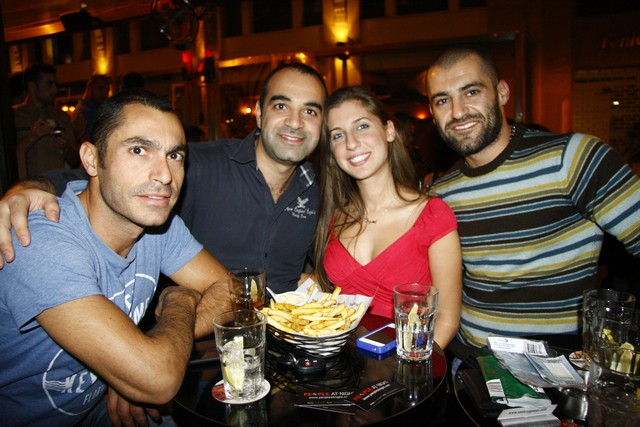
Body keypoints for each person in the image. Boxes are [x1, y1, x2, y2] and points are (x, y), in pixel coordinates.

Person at [0, 89, 230, 426]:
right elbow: (158, 380)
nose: (165, 175)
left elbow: (233, 291)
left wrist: (139, 355)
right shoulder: (39, 239)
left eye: (174, 155)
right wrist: (180, 301)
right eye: (139, 150)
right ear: (92, 159)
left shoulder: (157, 225)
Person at [0, 63, 326, 292]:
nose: (295, 122)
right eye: (281, 106)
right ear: (259, 113)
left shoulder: (321, 188)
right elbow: (103, 176)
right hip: (203, 347)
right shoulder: (199, 165)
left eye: (310, 111)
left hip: (294, 340)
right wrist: (29, 188)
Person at [424, 45, 640, 356]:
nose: (458, 112)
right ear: (432, 112)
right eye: (443, 100)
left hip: (558, 363)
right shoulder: (442, 193)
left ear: (501, 92)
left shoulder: (571, 158)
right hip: (471, 360)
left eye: (471, 92)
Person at [313, 86, 462, 349]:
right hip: (340, 364)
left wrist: (409, 366)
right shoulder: (334, 217)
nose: (351, 143)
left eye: (362, 127)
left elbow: (447, 320)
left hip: (409, 363)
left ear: (389, 131)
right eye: (338, 135)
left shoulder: (432, 215)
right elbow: (333, 295)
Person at [13, 63, 79, 179]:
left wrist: (66, 147)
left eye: (56, 85)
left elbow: (75, 160)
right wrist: (32, 137)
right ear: (32, 86)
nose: (55, 90)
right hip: (28, 185)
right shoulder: (15, 117)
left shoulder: (61, 117)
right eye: (49, 84)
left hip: (57, 185)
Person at [72, 73, 112, 141]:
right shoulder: (84, 112)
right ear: (89, 88)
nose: (104, 94)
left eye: (107, 90)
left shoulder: (100, 110)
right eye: (100, 88)